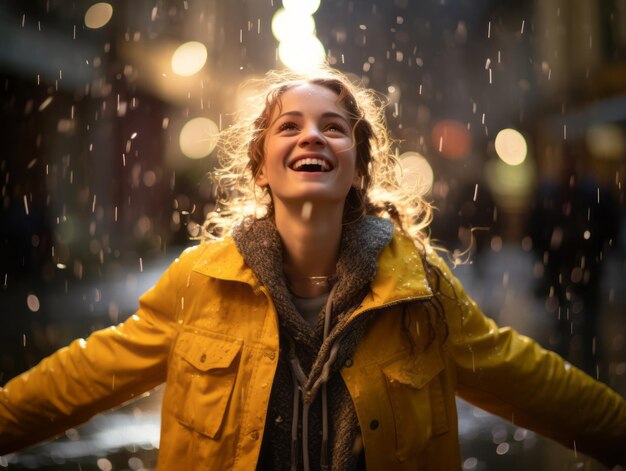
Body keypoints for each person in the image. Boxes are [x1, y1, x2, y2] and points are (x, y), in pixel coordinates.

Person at [1, 67, 625, 471]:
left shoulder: (420, 291)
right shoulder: (201, 283)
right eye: (289, 127)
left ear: (358, 167)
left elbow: (533, 381)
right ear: (260, 167)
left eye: (335, 128)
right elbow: (81, 377)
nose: (312, 138)